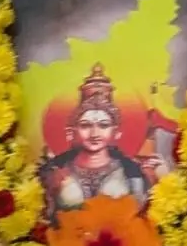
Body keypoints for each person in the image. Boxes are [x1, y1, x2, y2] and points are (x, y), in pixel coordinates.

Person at [39, 66, 154, 212]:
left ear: (116, 132)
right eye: (85, 125)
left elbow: (140, 216)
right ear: (72, 131)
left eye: (103, 125)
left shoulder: (132, 172)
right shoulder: (55, 169)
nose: (95, 133)